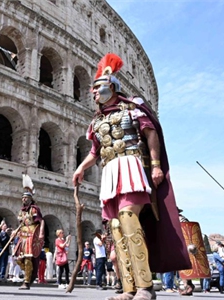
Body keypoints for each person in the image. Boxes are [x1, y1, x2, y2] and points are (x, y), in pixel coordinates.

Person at [72, 53, 190, 300]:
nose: (93, 94)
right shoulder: (97, 121)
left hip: (132, 166)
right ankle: (129, 288)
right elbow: (96, 151)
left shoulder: (133, 109)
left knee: (128, 219)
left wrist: (156, 165)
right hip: (110, 171)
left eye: (98, 88)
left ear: (112, 88)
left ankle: (146, 287)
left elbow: (151, 134)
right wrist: (81, 168)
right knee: (116, 227)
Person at [13, 174, 45, 290]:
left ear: (30, 199)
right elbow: (21, 224)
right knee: (18, 259)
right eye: (22, 198)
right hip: (22, 236)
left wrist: (41, 233)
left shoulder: (34, 209)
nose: (23, 199)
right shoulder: (22, 212)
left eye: (25, 198)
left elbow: (41, 221)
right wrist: (15, 232)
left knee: (28, 258)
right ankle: (29, 274)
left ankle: (26, 281)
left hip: (31, 236)